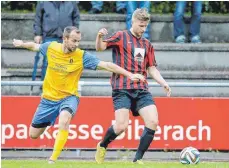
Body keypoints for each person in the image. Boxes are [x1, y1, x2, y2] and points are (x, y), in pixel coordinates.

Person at [12, 26, 145, 164]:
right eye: (74, 41)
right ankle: (50, 121)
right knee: (33, 135)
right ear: (65, 39)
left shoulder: (81, 56)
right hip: (48, 99)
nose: (76, 45)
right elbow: (35, 46)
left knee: (64, 118)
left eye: (78, 42)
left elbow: (107, 65)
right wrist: (21, 44)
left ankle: (52, 159)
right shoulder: (51, 47)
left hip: (69, 97)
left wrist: (129, 74)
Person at [95, 8, 171, 164]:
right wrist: (99, 37)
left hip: (141, 89)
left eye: (145, 26)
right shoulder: (120, 36)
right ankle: (102, 145)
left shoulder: (147, 44)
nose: (143, 29)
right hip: (121, 88)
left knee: (153, 122)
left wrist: (163, 82)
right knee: (121, 126)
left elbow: (151, 68)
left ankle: (137, 160)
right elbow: (100, 48)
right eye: (141, 26)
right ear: (133, 21)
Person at [32, 1, 80, 92]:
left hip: (67, 38)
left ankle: (64, 88)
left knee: (66, 63)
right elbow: (38, 19)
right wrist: (37, 34)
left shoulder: (72, 2)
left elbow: (76, 19)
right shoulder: (43, 2)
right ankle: (46, 88)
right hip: (49, 36)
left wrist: (74, 35)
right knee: (48, 63)